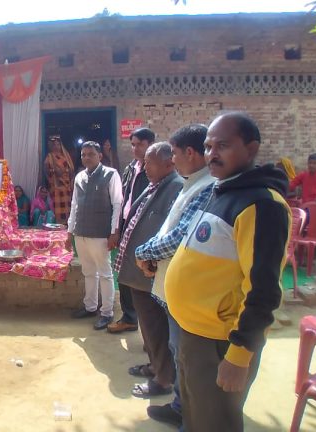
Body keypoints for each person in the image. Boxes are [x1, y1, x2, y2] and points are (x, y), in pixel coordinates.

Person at [166, 112, 290, 432]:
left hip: (220, 343)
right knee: (196, 416)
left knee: (216, 422)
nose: (212, 154)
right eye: (208, 146)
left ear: (251, 149)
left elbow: (263, 290)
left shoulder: (263, 205)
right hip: (194, 333)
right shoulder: (223, 191)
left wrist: (239, 355)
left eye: (223, 145)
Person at [133, 125, 215, 428]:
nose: (172, 159)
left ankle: (189, 414)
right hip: (171, 285)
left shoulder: (205, 186)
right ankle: (180, 406)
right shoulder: (190, 183)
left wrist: (145, 251)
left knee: (187, 357)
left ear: (188, 154)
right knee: (177, 351)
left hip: (189, 290)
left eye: (175, 154)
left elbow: (181, 235)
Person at [113, 142, 183, 399]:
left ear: (168, 163)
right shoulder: (157, 185)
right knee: (148, 326)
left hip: (150, 273)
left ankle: (164, 379)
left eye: (150, 162)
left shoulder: (175, 187)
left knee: (156, 327)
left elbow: (167, 231)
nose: (145, 167)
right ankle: (155, 366)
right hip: (139, 272)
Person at [67, 141, 123, 330]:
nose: (86, 158)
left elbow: (117, 204)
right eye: (83, 154)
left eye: (90, 154)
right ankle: (90, 307)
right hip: (81, 233)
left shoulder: (110, 174)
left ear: (99, 156)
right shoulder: (79, 177)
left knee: (105, 274)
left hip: (100, 234)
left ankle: (107, 313)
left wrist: (114, 232)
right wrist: (70, 231)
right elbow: (74, 205)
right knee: (88, 272)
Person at [111, 127, 155, 333]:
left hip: (145, 229)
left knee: (145, 276)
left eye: (140, 144)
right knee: (124, 274)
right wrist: (118, 226)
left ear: (150, 144)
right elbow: (124, 199)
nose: (135, 148)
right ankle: (129, 317)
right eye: (133, 144)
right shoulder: (131, 168)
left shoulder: (156, 169)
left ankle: (150, 328)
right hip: (127, 226)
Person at [44, 135, 75, 223]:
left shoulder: (66, 156)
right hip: (55, 186)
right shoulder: (49, 156)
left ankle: (67, 224)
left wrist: (64, 172)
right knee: (56, 206)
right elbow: (46, 170)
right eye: (54, 145)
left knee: (67, 206)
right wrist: (54, 171)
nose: (56, 146)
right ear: (51, 146)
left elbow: (71, 169)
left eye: (58, 144)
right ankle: (57, 223)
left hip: (66, 186)